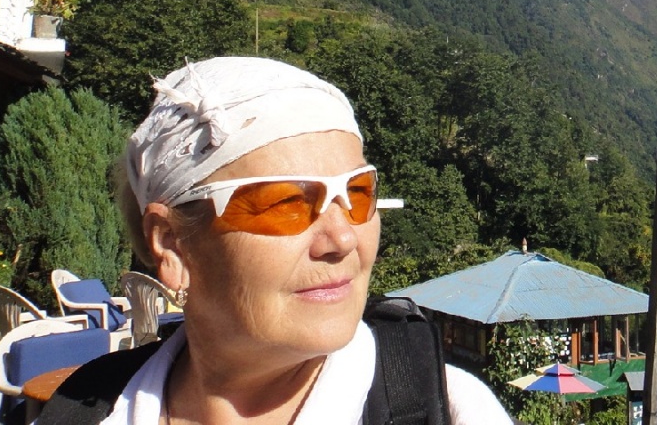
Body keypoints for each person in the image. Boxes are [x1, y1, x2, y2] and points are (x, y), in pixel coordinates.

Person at [40, 56, 511, 425]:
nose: (343, 238)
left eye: (358, 193)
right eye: (286, 202)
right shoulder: (86, 409)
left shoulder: (448, 409)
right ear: (173, 244)